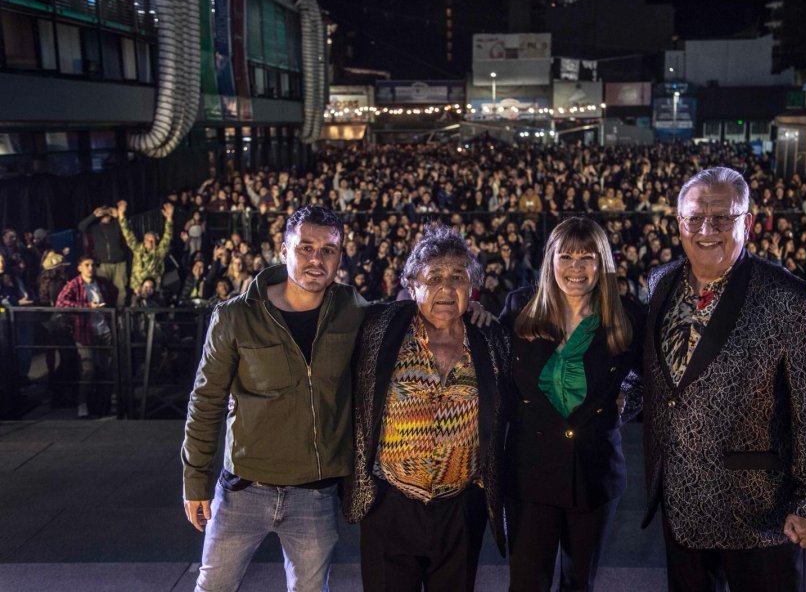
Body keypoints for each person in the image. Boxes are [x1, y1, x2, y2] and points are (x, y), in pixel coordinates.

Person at [629, 167, 806, 591]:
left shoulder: (790, 298)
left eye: (723, 217)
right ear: (678, 222)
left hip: (762, 511)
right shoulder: (660, 282)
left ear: (747, 222)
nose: (707, 229)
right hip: (681, 502)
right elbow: (657, 377)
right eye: (695, 217)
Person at [181, 206, 368, 592]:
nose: (317, 259)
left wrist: (472, 312)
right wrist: (195, 480)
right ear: (283, 252)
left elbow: (414, 316)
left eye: (329, 250)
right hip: (243, 488)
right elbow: (206, 401)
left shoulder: (354, 311)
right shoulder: (236, 316)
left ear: (340, 255)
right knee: (212, 587)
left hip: (314, 493)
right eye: (306, 248)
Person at [343, 224, 511, 592]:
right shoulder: (377, 327)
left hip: (460, 509)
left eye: (458, 278)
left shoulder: (492, 338)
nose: (446, 289)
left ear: (472, 287)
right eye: (433, 278)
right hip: (389, 503)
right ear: (412, 284)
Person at [500, 217, 640, 592]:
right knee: (527, 583)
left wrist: (626, 402)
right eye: (566, 257)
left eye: (587, 258)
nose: (575, 268)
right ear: (550, 261)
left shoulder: (626, 316)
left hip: (594, 473)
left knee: (579, 584)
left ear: (602, 263)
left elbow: (655, 377)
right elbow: (495, 371)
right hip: (529, 472)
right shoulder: (519, 308)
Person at [55, 255, 118, 418]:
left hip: (104, 330)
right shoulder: (74, 284)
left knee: (106, 369)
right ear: (80, 267)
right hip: (84, 332)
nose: (91, 268)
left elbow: (113, 294)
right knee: (88, 369)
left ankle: (104, 403)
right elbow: (61, 302)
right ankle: (82, 404)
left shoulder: (101, 282)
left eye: (93, 265)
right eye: (87, 265)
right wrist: (85, 307)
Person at [118, 200, 174, 295]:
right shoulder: (137, 249)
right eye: (149, 240)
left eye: (153, 241)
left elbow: (167, 236)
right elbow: (127, 233)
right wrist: (121, 216)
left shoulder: (159, 252)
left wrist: (169, 218)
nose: (151, 243)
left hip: (154, 291)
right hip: (137, 290)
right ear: (144, 240)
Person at [78, 205, 129, 306]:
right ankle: (106, 315)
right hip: (102, 264)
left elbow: (127, 227)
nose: (106, 214)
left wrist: (118, 216)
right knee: (102, 290)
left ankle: (120, 316)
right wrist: (93, 215)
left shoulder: (117, 224)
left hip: (119, 263)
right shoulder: (95, 227)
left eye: (108, 211)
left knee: (121, 291)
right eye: (104, 212)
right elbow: (81, 227)